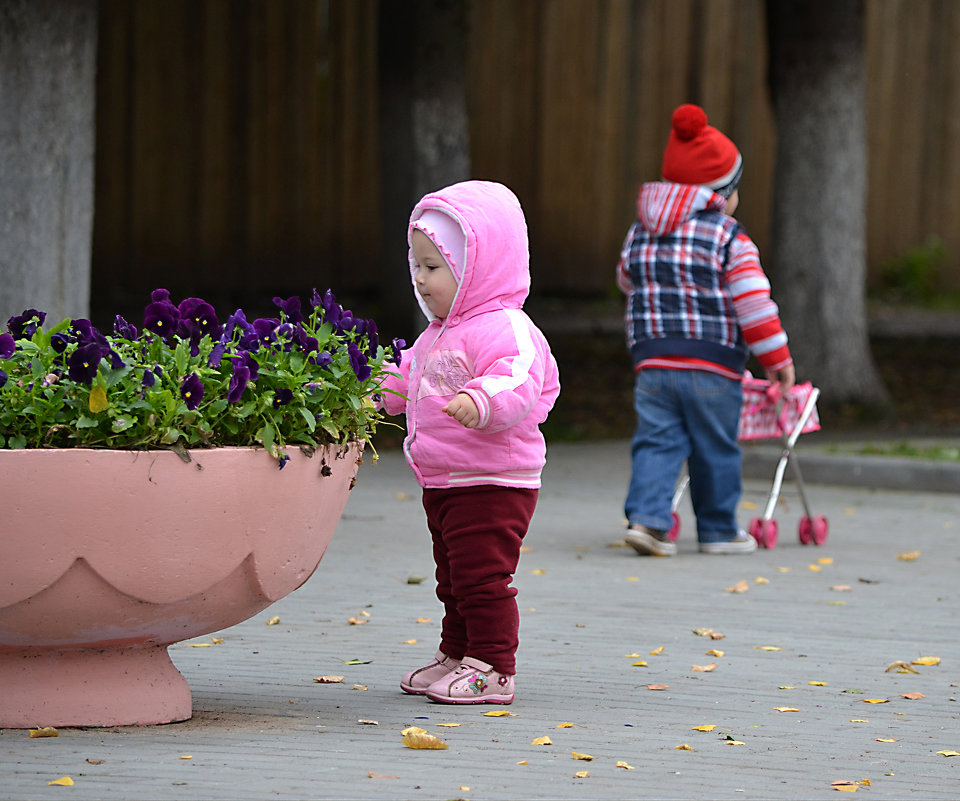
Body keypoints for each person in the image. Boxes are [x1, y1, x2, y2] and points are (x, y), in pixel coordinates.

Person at [379, 180, 560, 704]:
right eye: (415, 264)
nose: (420, 277)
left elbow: (519, 378)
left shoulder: (507, 327)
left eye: (433, 267)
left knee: (483, 578)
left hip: (493, 479)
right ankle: (458, 652)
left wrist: (481, 400)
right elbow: (409, 379)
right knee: (452, 579)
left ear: (475, 266)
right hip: (444, 478)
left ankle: (495, 667)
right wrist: (371, 396)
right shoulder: (435, 333)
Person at [617, 103, 795, 557]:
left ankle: (647, 521)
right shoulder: (729, 238)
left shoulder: (640, 231)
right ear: (723, 193)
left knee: (657, 441)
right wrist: (778, 360)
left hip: (654, 362)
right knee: (715, 446)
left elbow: (625, 278)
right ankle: (717, 529)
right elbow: (755, 307)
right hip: (713, 365)